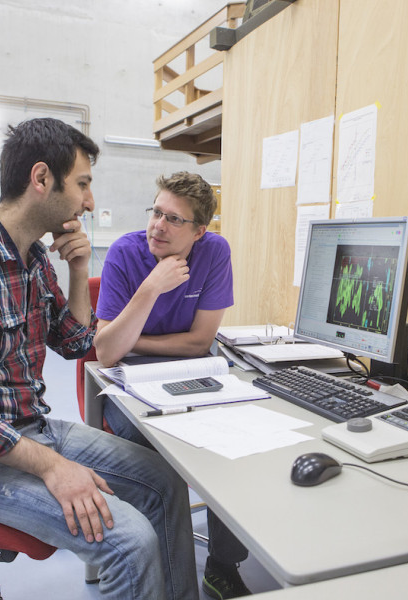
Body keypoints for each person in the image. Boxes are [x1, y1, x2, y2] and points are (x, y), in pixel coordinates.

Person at [0, 118, 198, 600]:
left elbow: (77, 342)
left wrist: (80, 270)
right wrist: (52, 467)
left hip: (30, 430)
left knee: (165, 483)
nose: (89, 201)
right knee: (127, 542)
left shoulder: (33, 259)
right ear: (41, 179)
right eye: (83, 184)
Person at [93, 171, 251, 599]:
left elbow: (201, 341)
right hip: (128, 386)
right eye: (156, 213)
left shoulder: (215, 252)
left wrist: (134, 339)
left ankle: (221, 565)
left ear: (199, 231)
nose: (158, 226)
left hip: (191, 374)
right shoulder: (126, 254)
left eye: (173, 219)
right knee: (160, 467)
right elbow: (106, 353)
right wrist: (150, 288)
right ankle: (165, 576)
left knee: (232, 445)